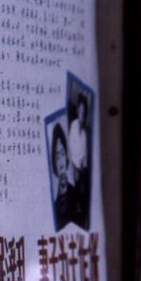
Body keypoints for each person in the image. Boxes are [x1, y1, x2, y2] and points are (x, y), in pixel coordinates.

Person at [67, 92, 89, 228]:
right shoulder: (74, 125)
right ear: (77, 111)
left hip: (80, 172)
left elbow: (85, 159)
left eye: (84, 112)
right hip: (72, 169)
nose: (82, 115)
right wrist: (75, 169)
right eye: (80, 111)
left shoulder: (85, 134)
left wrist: (82, 172)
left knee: (83, 196)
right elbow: (70, 150)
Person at [51, 123, 78, 231]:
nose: (61, 160)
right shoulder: (53, 201)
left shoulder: (75, 191)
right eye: (57, 156)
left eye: (63, 153)